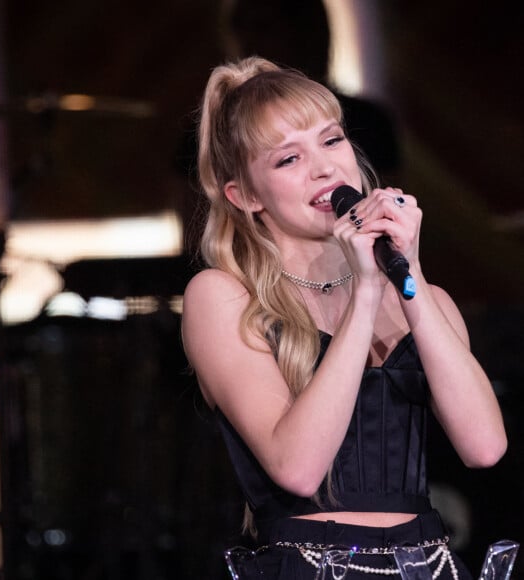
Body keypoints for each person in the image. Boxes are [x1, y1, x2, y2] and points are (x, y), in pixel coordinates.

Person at [181, 56, 507, 579]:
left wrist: (411, 274)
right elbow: (297, 467)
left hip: (428, 564)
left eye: (331, 141)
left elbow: (485, 446)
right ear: (243, 196)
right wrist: (364, 300)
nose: (325, 168)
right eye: (288, 159)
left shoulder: (423, 297)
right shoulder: (222, 298)